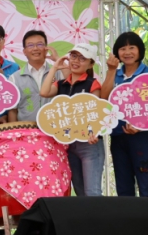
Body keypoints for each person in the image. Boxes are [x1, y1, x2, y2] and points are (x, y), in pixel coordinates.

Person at [1, 30, 64, 235]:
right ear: (24, 50)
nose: (36, 48)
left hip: (56, 138)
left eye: (40, 44)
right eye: (31, 45)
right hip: (26, 140)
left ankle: (55, 233)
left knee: (54, 185)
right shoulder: (15, 78)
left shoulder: (60, 74)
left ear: (47, 47)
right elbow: (12, 112)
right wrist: (14, 139)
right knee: (28, 185)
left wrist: (59, 63)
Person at [100, 32, 148, 201]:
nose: (127, 52)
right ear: (116, 53)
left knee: (146, 185)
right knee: (123, 186)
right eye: (122, 48)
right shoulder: (115, 74)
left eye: (132, 47)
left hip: (144, 138)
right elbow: (103, 99)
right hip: (119, 137)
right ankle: (127, 226)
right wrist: (111, 71)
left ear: (140, 50)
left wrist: (146, 125)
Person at [40, 42, 104, 197]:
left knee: (92, 192)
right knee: (80, 191)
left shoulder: (92, 83)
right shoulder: (61, 84)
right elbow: (44, 92)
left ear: (90, 63)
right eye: (74, 56)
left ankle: (100, 221)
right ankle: (86, 222)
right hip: (68, 145)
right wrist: (55, 67)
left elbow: (95, 112)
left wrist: (94, 132)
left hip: (89, 145)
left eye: (82, 58)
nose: (76, 61)